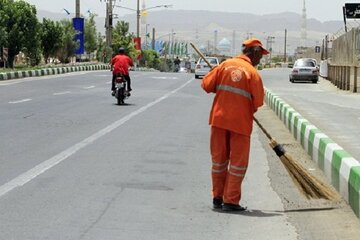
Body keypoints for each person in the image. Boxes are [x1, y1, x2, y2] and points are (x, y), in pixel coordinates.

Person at [201, 38, 269, 211]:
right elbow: (259, 102)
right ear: (254, 53)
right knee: (238, 164)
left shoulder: (224, 65)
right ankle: (230, 200)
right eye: (260, 55)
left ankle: (217, 197)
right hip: (240, 124)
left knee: (219, 162)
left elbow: (206, 85)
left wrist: (218, 81)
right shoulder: (252, 73)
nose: (260, 59)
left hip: (219, 120)